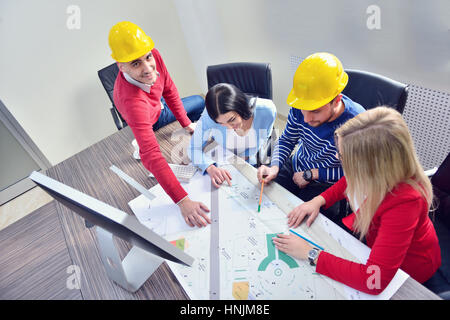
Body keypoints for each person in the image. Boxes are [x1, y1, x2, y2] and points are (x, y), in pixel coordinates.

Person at [273, 106, 441, 295]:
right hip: (373, 242)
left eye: (343, 156)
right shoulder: (379, 174)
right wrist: (318, 200)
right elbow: (349, 180)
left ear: (373, 167)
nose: (337, 157)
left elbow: (373, 280)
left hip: (410, 271)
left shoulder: (405, 203)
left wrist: (311, 254)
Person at [109, 21, 209, 228]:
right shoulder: (133, 104)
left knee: (199, 103)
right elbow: (151, 155)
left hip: (157, 103)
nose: (148, 68)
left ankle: (206, 146)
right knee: (153, 148)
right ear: (121, 66)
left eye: (147, 58)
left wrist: (187, 123)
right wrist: (183, 200)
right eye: (136, 63)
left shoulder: (152, 53)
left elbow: (169, 89)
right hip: (149, 116)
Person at [257, 52, 365, 221]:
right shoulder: (302, 104)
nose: (306, 119)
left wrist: (313, 174)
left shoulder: (357, 122)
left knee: (301, 223)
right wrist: (274, 166)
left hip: (328, 182)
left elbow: (357, 174)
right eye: (303, 110)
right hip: (297, 164)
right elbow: (287, 139)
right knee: (265, 199)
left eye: (315, 111)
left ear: (336, 100)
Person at [188, 83, 277, 188]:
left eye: (232, 119)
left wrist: (245, 158)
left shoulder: (267, 110)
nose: (229, 128)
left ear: (241, 106)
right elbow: (193, 148)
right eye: (221, 123)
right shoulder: (208, 117)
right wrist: (210, 167)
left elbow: (265, 137)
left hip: (248, 159)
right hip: (224, 157)